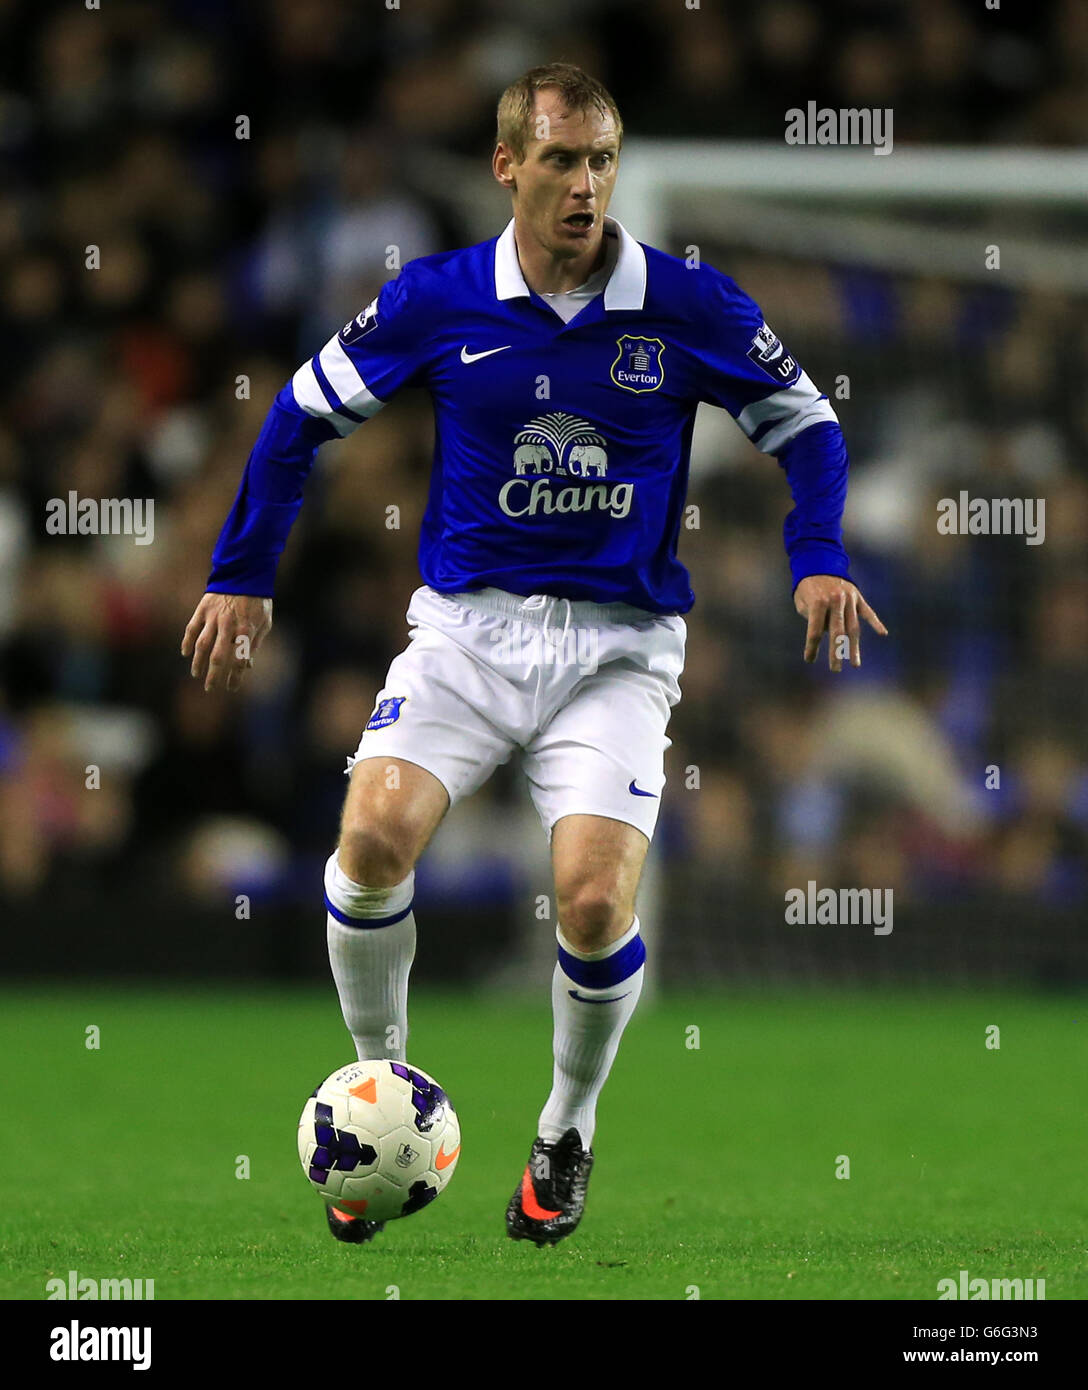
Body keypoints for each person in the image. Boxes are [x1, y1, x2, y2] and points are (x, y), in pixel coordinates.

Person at [181, 62, 886, 1248]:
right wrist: (242, 573)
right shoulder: (436, 299)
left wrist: (817, 551)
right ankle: (382, 1094)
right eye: (560, 160)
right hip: (467, 630)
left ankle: (564, 1127)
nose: (584, 185)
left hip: (616, 646)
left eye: (601, 160)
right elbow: (299, 412)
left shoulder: (688, 304)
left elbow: (807, 426)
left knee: (596, 898)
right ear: (508, 165)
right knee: (366, 845)